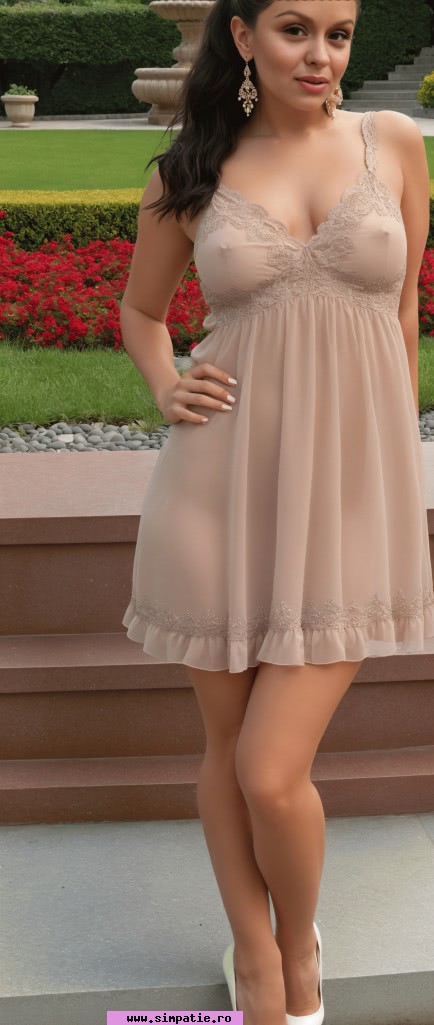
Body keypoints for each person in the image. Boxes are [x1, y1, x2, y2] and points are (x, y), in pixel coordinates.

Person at [120, 0, 434, 1021]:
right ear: (243, 35)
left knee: (269, 766)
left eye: (338, 34)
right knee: (227, 751)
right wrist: (166, 382)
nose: (321, 55)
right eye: (296, 29)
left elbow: (400, 311)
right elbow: (141, 311)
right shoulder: (191, 170)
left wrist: (394, 463)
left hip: (347, 498)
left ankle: (299, 942)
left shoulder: (391, 144)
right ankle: (256, 958)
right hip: (215, 490)